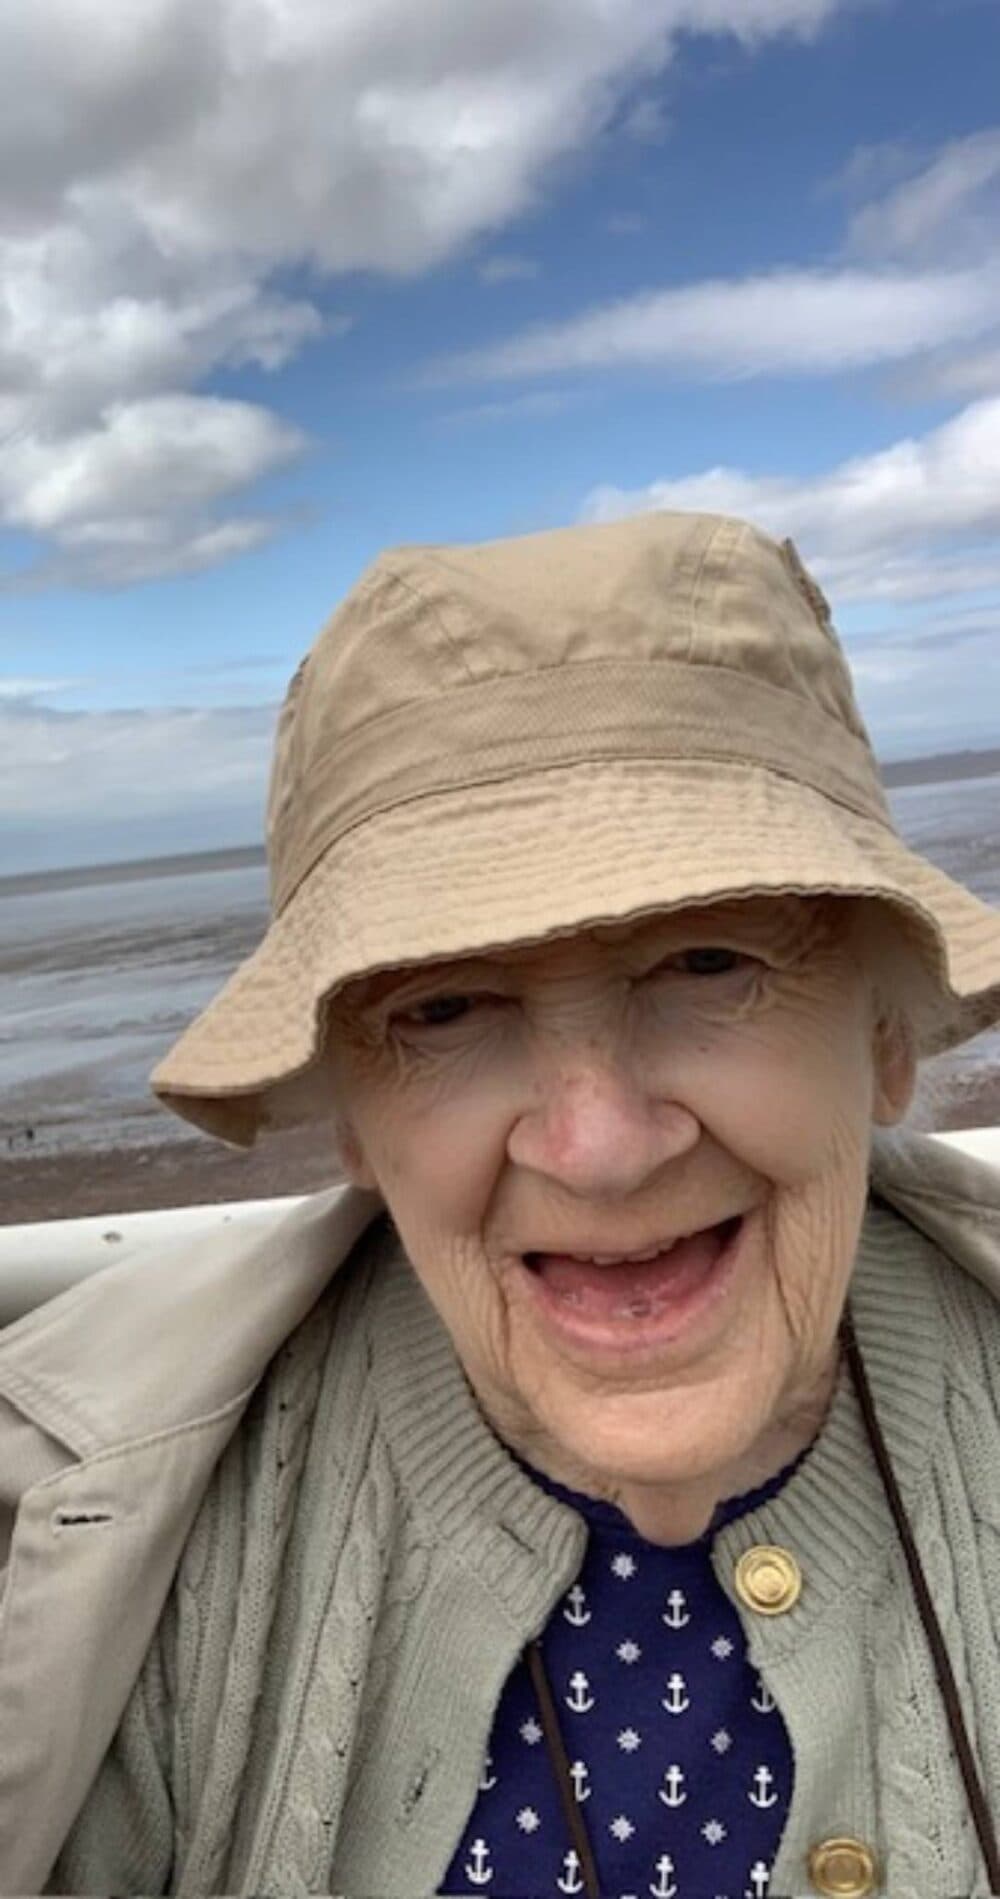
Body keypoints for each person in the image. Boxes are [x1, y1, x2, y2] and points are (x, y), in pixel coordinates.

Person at [1, 511, 999, 1899]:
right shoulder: (87, 1554)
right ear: (352, 1114)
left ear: (886, 1036)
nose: (600, 1149)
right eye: (445, 1007)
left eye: (709, 962)